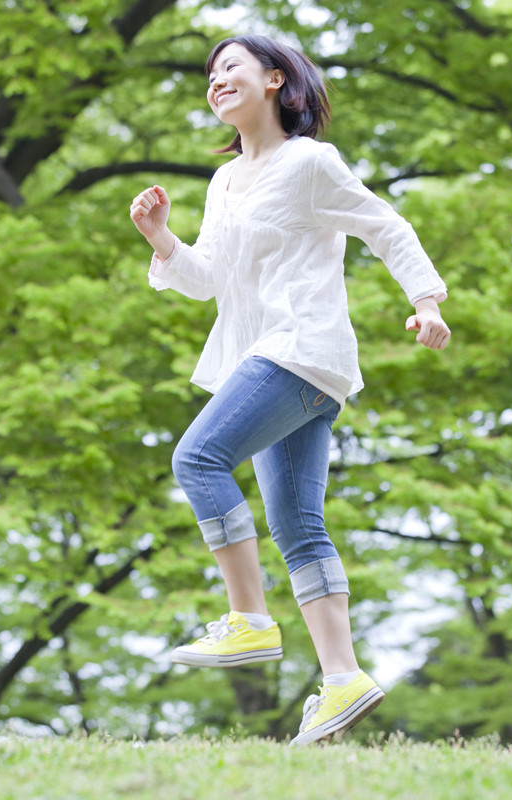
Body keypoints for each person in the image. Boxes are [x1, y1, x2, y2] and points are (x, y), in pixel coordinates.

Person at [128, 34, 451, 746]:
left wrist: (427, 301)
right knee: (298, 525)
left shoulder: (308, 163)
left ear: (276, 80)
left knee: (197, 459)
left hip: (297, 350)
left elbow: (385, 227)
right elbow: (206, 278)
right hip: (268, 361)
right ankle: (343, 677)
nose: (216, 80)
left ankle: (247, 618)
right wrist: (160, 239)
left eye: (231, 68)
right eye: (210, 74)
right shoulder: (223, 183)